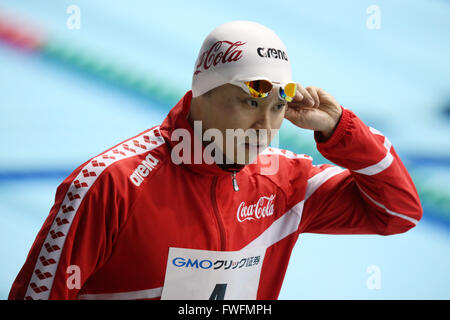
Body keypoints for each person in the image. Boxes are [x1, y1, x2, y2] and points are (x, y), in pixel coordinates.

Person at [9, 20, 422, 300]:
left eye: (279, 108)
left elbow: (398, 213)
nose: (265, 126)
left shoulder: (286, 184)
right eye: (248, 102)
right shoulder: (111, 184)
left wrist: (341, 130)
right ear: (201, 94)